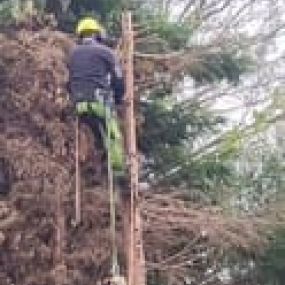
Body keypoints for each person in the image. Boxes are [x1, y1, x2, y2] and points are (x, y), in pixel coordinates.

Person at [68, 17, 125, 179]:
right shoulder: (106, 52)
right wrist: (119, 99)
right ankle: (117, 172)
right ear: (98, 34)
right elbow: (118, 79)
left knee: (97, 133)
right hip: (99, 101)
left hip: (79, 104)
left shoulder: (72, 54)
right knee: (113, 135)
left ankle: (97, 165)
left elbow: (71, 79)